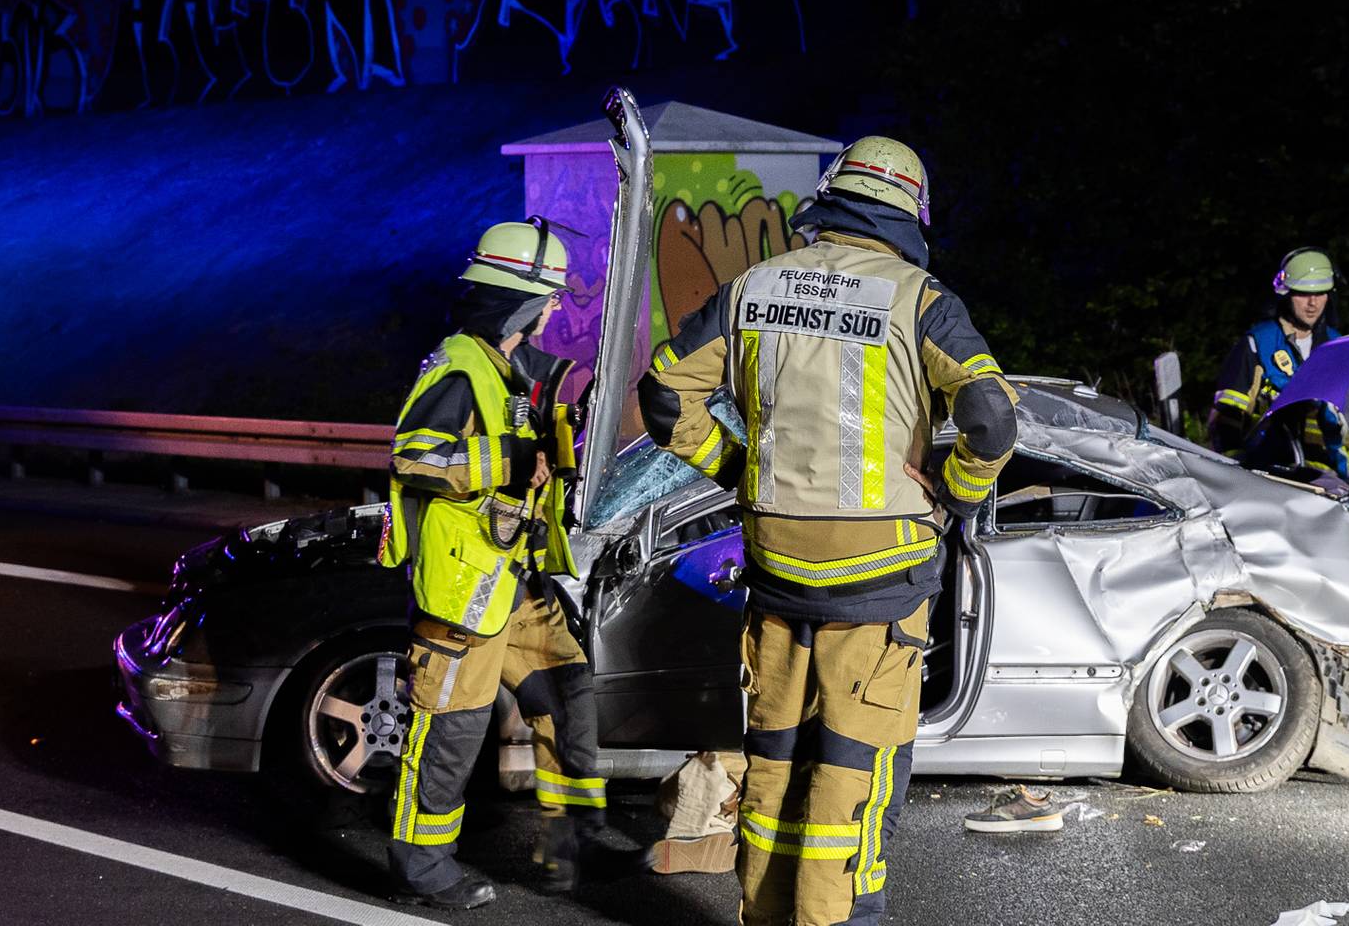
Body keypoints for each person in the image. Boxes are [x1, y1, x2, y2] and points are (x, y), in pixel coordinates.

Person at [639, 135, 1020, 926]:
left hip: (778, 564)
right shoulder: (920, 299)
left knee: (775, 762)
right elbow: (990, 417)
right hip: (879, 577)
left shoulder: (752, 287)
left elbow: (664, 391)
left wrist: (737, 470)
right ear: (910, 214)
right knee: (854, 773)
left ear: (833, 196)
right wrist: (952, 494)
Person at [378, 219, 621, 909]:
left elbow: (538, 419)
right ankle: (420, 868)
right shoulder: (458, 366)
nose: (553, 310)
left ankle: (571, 845)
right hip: (462, 589)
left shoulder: (506, 364)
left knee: (568, 695)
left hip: (513, 581)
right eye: (545, 297)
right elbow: (415, 456)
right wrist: (512, 460)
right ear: (512, 298)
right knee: (451, 728)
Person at [1209, 247, 1349, 479]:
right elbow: (1227, 416)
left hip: (1328, 479)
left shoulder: (1341, 349)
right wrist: (1236, 469)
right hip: (1269, 473)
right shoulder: (1258, 343)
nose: (1312, 303)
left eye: (1320, 293)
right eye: (1303, 293)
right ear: (1285, 293)